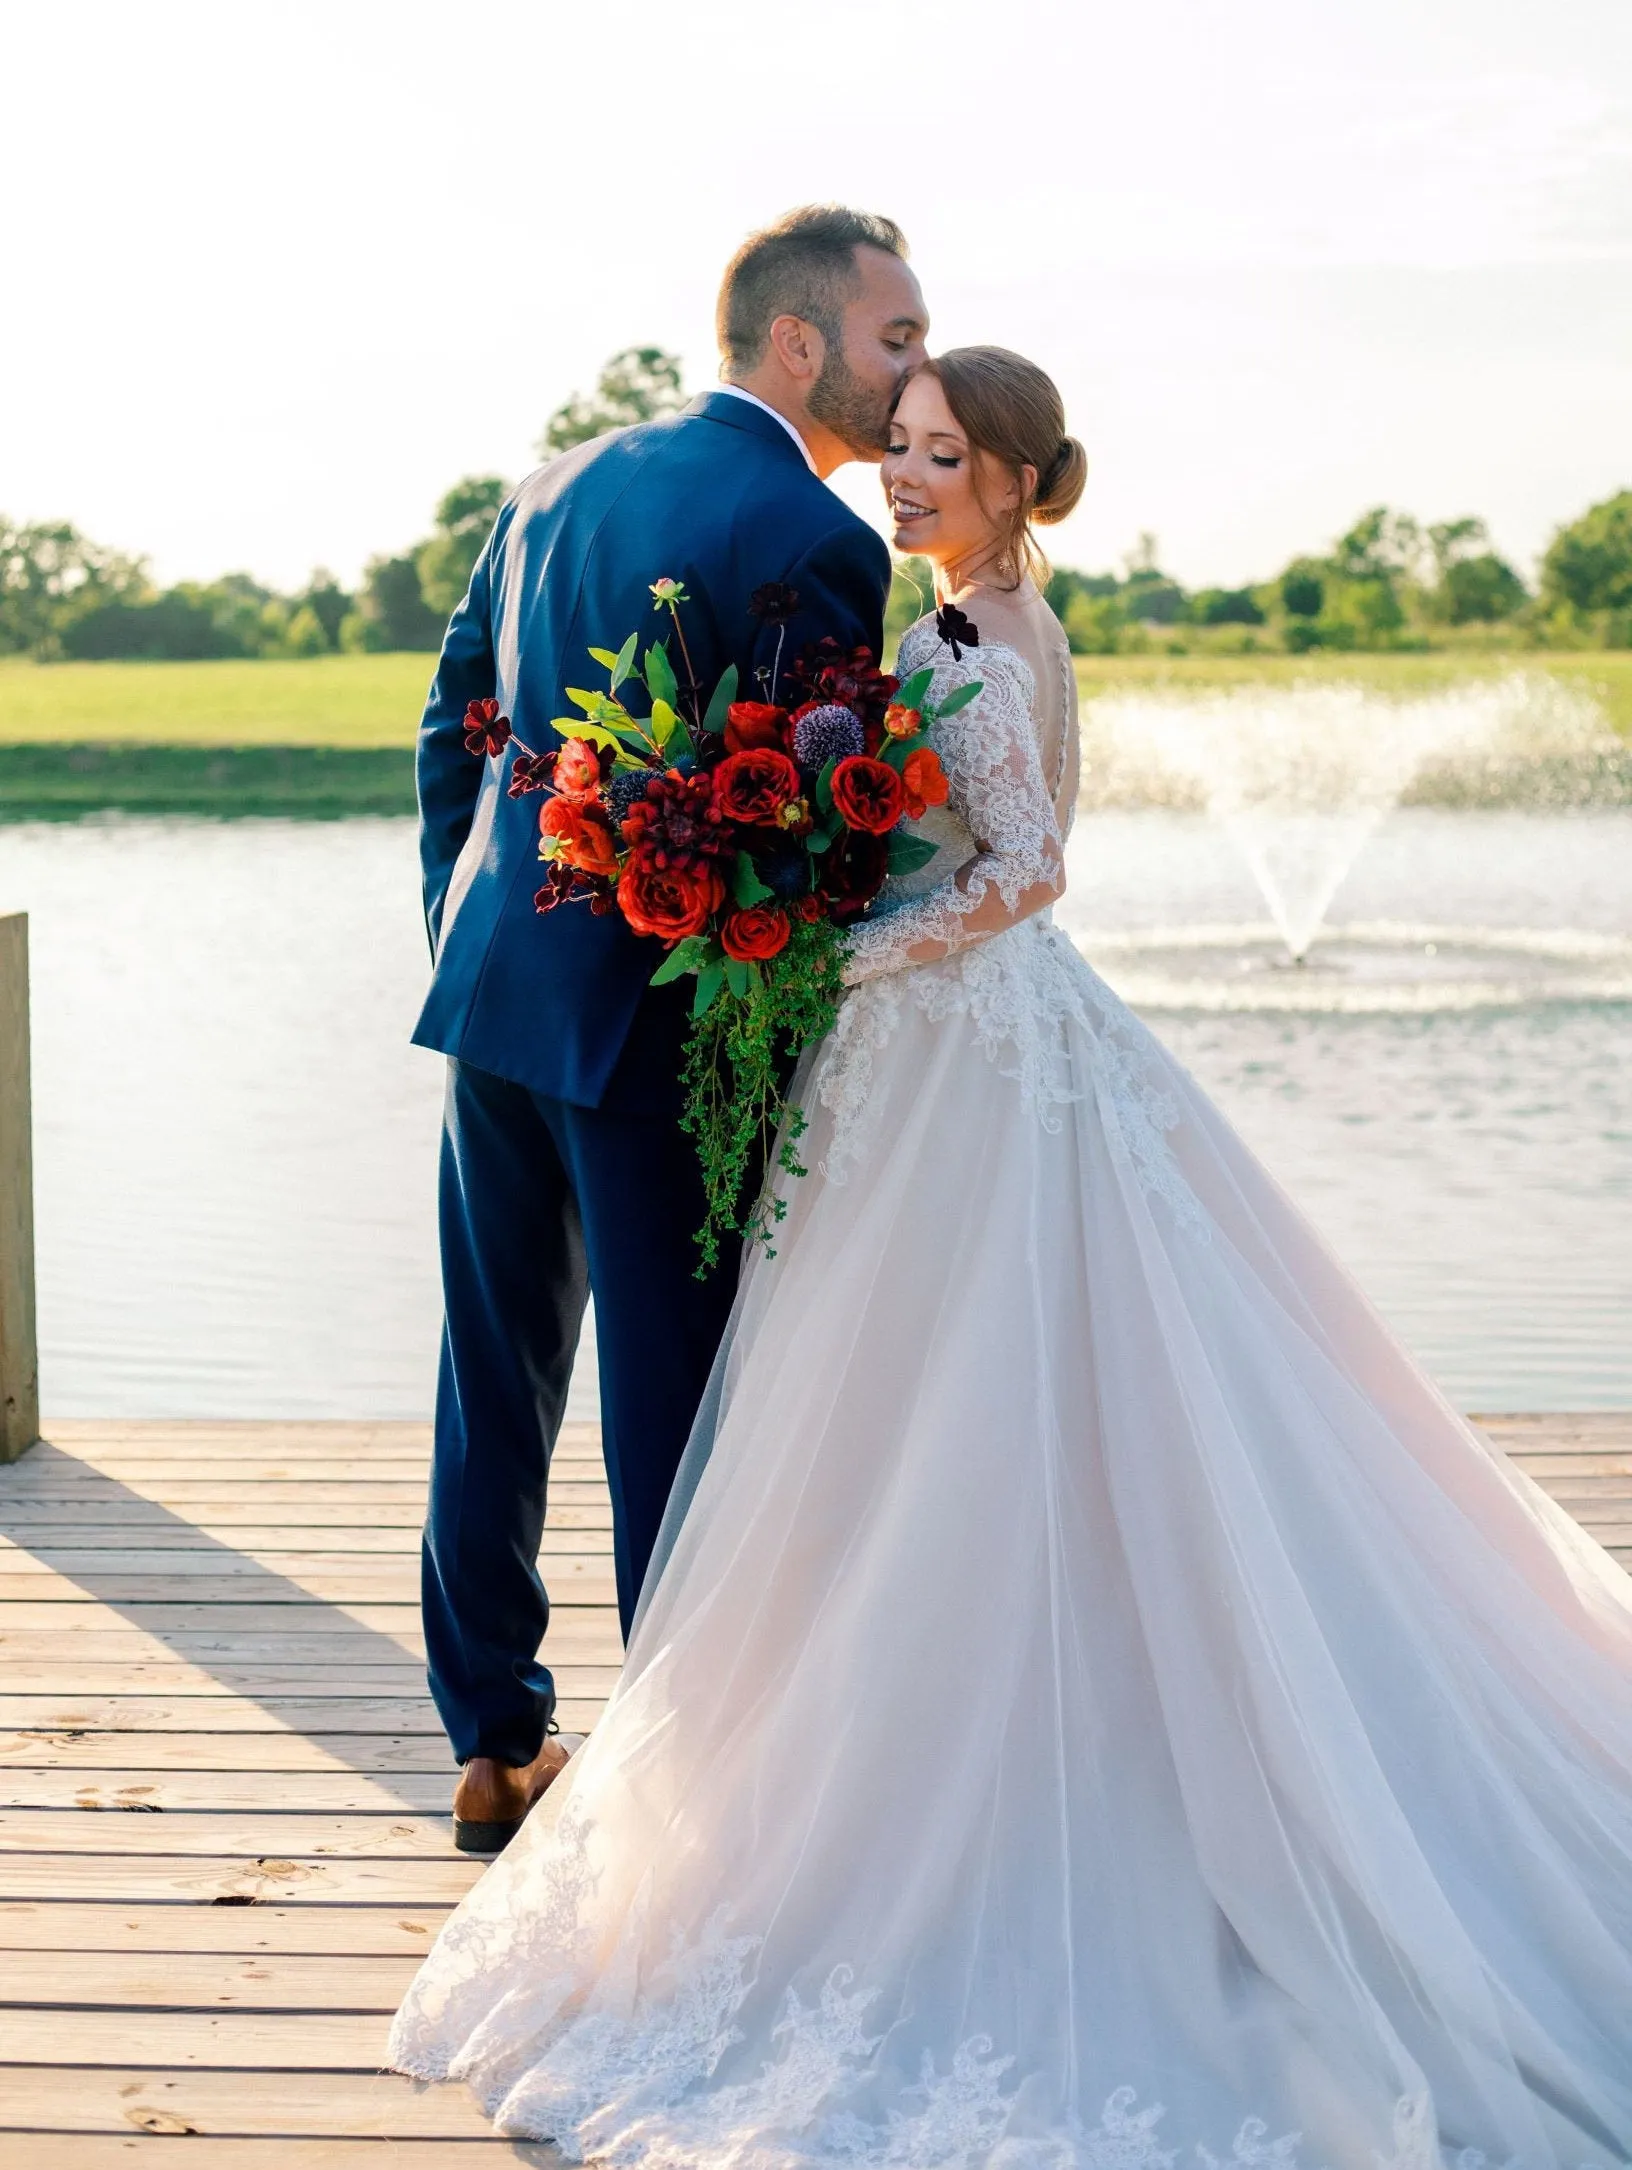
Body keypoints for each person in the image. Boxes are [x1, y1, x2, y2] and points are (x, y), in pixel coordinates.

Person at [391, 349, 1632, 2164]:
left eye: (938, 453)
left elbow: (1026, 869)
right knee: (977, 1401)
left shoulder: (958, 648)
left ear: (1012, 483)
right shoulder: (998, 625)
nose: (899, 471)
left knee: (910, 1402)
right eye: (896, 443)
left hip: (951, 1054)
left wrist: (834, 954)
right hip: (979, 1054)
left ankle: (830, 1771)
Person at [410, 206, 928, 1851]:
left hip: (498, 998)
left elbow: (456, 719)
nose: (916, 368)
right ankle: (694, 1791)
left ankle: (494, 1739)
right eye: (894, 337)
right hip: (664, 1033)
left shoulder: (554, 480)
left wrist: (463, 913)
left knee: (492, 1366)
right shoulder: (820, 538)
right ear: (800, 344)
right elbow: (831, 842)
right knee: (678, 1400)